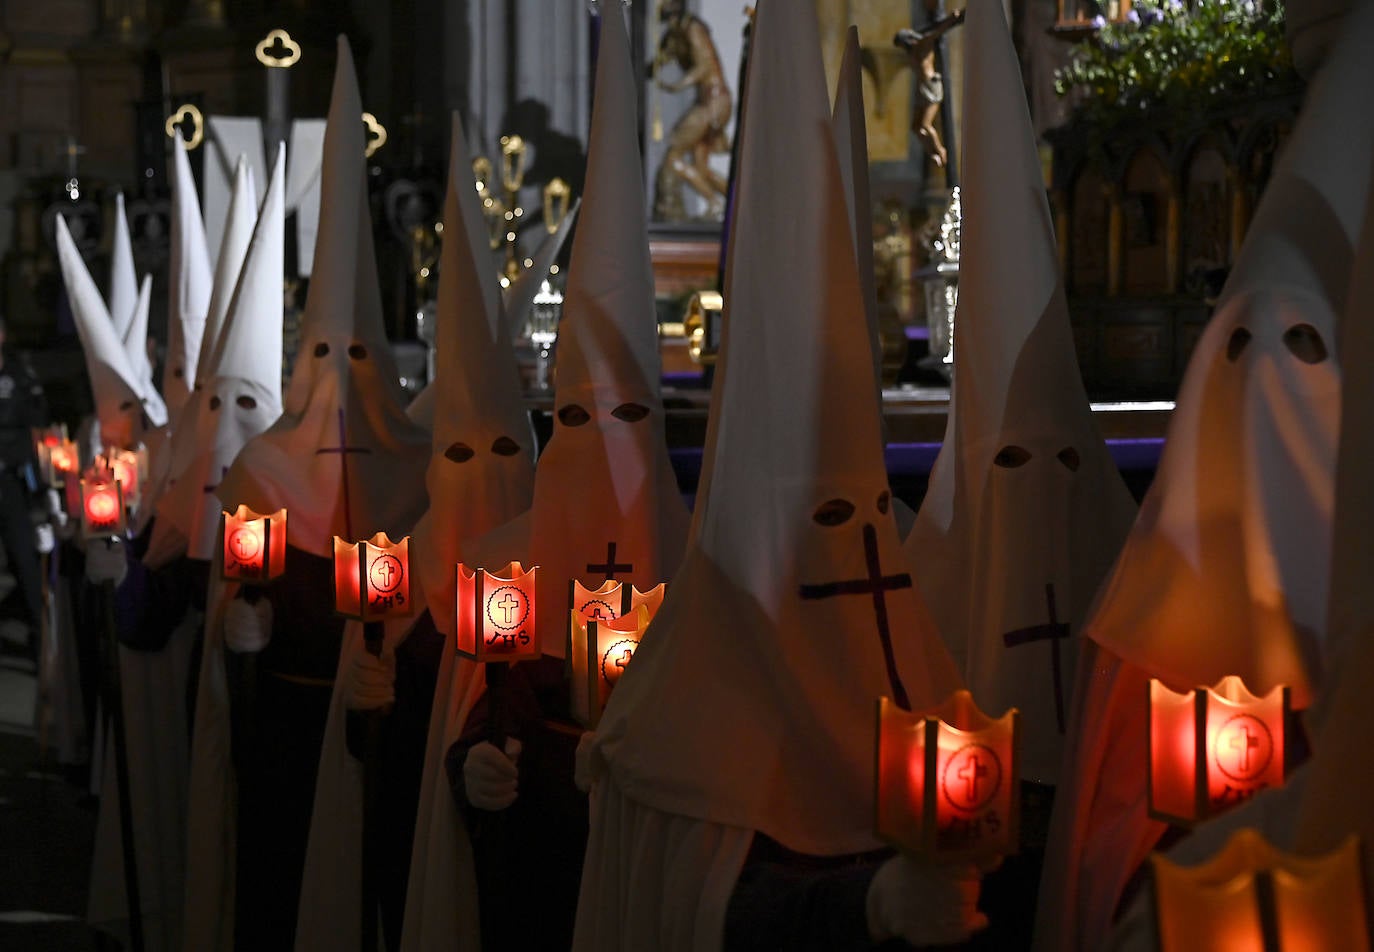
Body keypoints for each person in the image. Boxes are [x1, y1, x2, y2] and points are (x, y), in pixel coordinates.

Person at [651, 0, 732, 220]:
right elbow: (665, 54)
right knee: (701, 168)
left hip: (712, 103)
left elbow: (704, 65)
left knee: (673, 157)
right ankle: (739, 205)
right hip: (712, 101)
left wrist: (678, 85)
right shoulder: (678, 30)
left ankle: (716, 204)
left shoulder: (693, 28)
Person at [0, 316, 49, 656]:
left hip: (10, 479)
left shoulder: (19, 375)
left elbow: (37, 427)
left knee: (23, 555)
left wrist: (40, 482)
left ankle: (40, 632)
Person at [894, 10, 964, 169]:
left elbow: (938, 32)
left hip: (932, 86)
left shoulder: (924, 44)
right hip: (923, 87)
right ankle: (932, 153)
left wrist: (952, 19)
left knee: (925, 125)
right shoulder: (912, 52)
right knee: (915, 127)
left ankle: (941, 151)